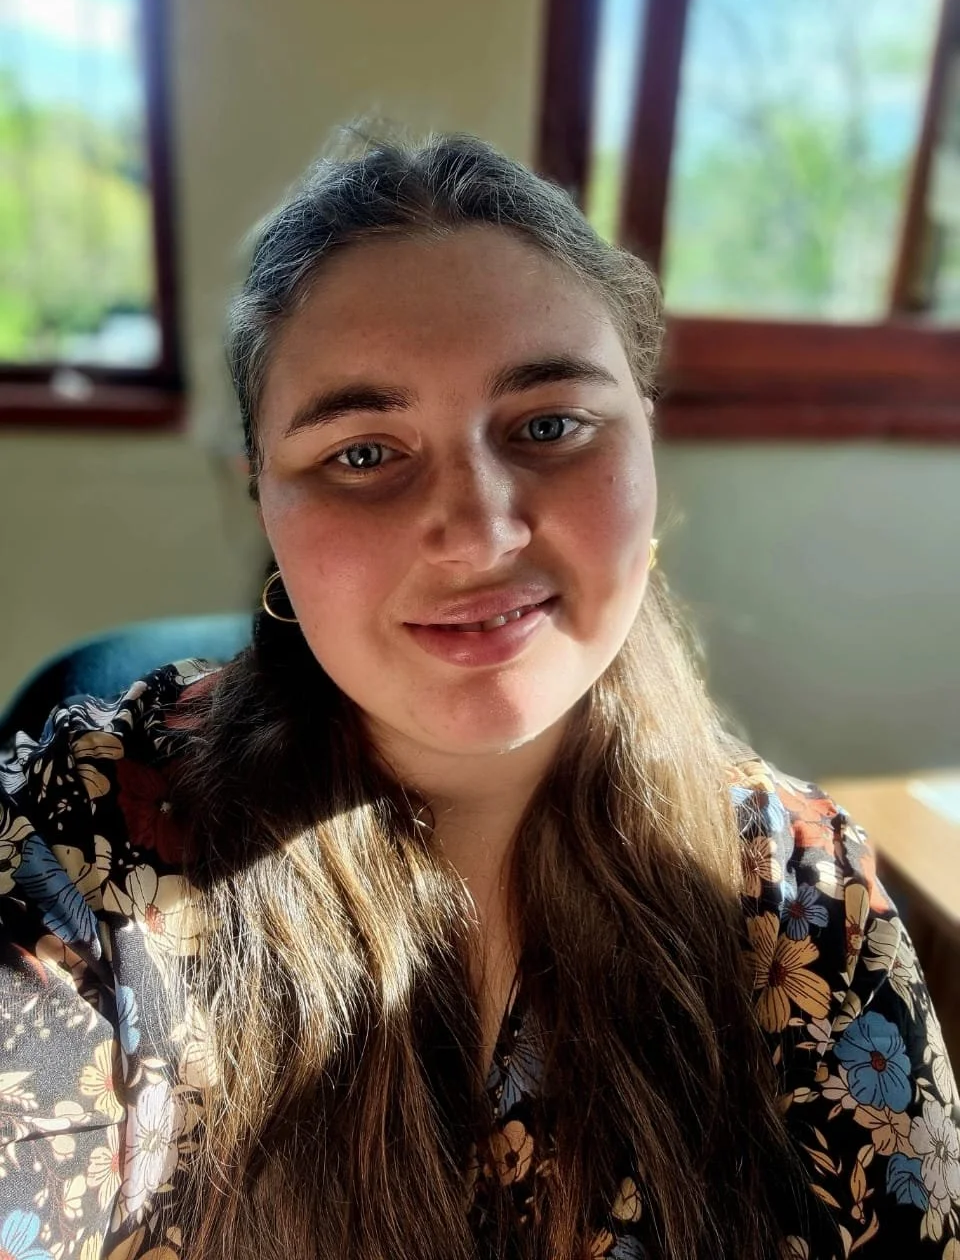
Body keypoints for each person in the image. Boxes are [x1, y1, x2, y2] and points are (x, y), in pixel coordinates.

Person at [1, 132, 957, 1260]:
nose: (480, 530)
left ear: (647, 442)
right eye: (363, 453)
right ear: (265, 498)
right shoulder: (86, 835)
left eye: (549, 425)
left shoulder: (804, 891)